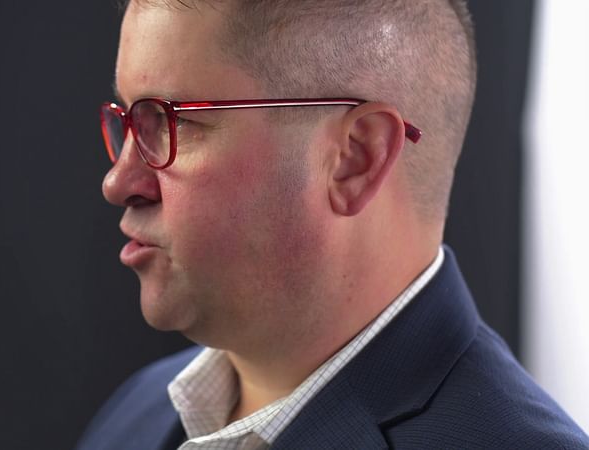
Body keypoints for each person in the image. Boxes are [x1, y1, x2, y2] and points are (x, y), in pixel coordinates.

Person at [78, 0, 589, 448]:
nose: (119, 182)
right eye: (130, 122)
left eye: (174, 122)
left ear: (354, 160)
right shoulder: (135, 413)